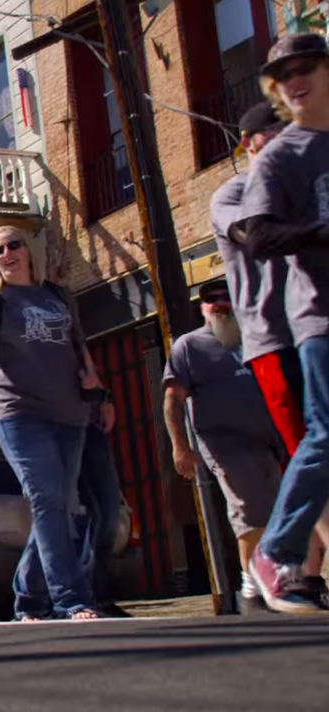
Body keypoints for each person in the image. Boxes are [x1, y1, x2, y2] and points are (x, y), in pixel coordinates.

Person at [0, 226, 107, 621]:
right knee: (47, 499)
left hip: (70, 415)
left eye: (14, 244)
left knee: (59, 507)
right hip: (19, 414)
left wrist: (99, 391)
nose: (8, 253)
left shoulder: (58, 296)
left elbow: (79, 347)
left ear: (28, 251)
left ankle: (29, 600)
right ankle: (70, 598)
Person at [215, 101, 329, 603]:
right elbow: (256, 234)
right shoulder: (233, 193)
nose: (285, 138)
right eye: (273, 131)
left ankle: (302, 570)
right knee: (315, 447)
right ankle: (289, 564)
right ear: (250, 143)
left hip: (317, 324)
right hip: (273, 337)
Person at [163, 278, 289, 613]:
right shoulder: (189, 346)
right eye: (210, 299)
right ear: (201, 308)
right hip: (224, 442)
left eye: (224, 297)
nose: (218, 303)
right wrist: (180, 447)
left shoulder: (255, 339)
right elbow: (172, 399)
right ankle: (252, 585)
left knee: (278, 510)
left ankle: (277, 579)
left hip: (270, 441)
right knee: (250, 511)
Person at [76, 398, 127, 617]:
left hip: (88, 425)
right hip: (54, 427)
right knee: (67, 515)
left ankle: (98, 596)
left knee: (109, 513)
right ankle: (78, 598)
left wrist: (104, 398)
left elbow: (90, 373)